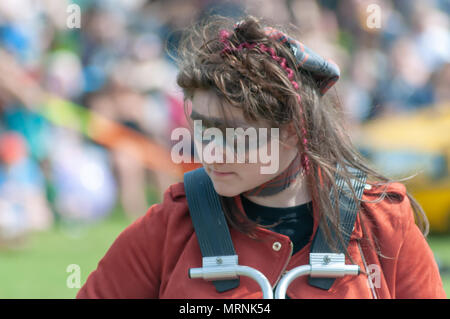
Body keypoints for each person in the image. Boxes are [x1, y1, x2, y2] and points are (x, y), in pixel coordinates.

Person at [76, 15, 446, 299]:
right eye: (204, 130)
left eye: (235, 135)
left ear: (291, 130)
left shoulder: (382, 222)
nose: (211, 151)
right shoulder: (171, 225)